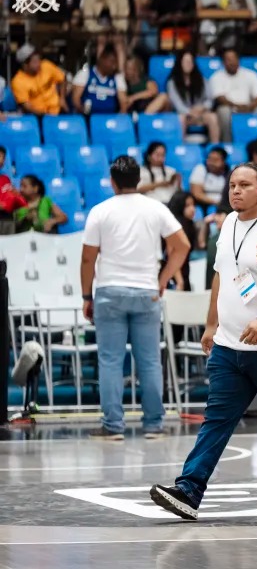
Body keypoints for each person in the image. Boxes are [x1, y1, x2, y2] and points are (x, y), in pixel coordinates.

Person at [148, 164, 257, 537]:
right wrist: (211, 324)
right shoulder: (227, 223)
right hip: (229, 345)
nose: (236, 191)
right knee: (216, 420)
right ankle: (189, 491)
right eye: (232, 185)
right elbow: (220, 275)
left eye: (245, 185)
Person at [81, 156, 190, 439]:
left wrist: (85, 296)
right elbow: (182, 245)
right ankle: (153, 425)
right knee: (150, 361)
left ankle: (113, 426)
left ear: (113, 181)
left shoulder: (100, 211)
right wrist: (163, 279)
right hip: (146, 291)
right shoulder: (155, 208)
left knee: (110, 361)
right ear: (139, 179)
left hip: (110, 292)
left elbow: (87, 259)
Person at [210, 49, 257, 142]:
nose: (232, 62)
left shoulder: (251, 74)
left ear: (238, 60)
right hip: (230, 109)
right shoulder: (216, 76)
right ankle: (227, 143)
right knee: (223, 110)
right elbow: (219, 98)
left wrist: (250, 106)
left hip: (249, 107)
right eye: (228, 59)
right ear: (223, 62)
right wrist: (236, 106)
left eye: (234, 59)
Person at [167, 51, 221, 144]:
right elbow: (177, 104)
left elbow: (209, 100)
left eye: (190, 62)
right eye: (185, 62)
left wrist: (203, 107)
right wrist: (190, 112)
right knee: (181, 118)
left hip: (200, 113)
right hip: (184, 115)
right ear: (180, 63)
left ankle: (214, 147)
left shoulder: (202, 80)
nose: (188, 64)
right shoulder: (172, 83)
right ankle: (181, 146)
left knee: (213, 117)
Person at [11, 44, 68, 116]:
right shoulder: (17, 81)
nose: (38, 64)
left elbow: (62, 79)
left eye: (39, 60)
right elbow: (27, 106)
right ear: (25, 64)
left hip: (57, 110)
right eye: (34, 62)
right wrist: (45, 116)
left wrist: (62, 98)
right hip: (37, 116)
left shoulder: (46, 65)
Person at [71, 43, 127, 115]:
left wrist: (118, 120)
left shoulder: (117, 77)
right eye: (112, 62)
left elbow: (124, 103)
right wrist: (83, 112)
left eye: (115, 63)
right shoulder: (85, 74)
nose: (114, 67)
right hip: (88, 118)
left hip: (110, 119)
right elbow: (75, 99)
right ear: (102, 60)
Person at [166, 191, 201, 291]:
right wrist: (179, 281)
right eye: (188, 205)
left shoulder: (189, 225)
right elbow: (172, 254)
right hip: (173, 278)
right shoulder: (175, 227)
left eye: (193, 205)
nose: (192, 209)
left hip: (184, 274)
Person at [190, 147, 230, 212]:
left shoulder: (231, 172)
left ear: (224, 162)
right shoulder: (200, 169)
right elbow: (197, 194)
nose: (211, 163)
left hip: (226, 205)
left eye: (215, 160)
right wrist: (217, 202)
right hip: (204, 206)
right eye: (209, 159)